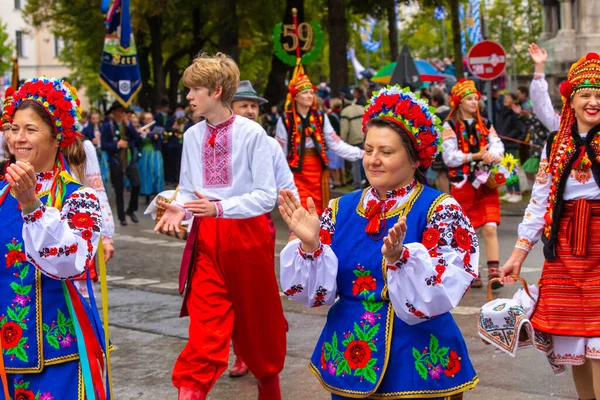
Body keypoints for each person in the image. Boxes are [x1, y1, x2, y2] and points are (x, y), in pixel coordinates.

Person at [279, 86, 479, 399]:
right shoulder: (340, 209)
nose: (373, 160)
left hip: (417, 357)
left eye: (386, 152)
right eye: (368, 149)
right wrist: (310, 247)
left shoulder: (440, 209)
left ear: (415, 160)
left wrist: (401, 259)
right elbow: (315, 295)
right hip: (349, 352)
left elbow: (442, 291)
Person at [154, 53, 286, 400]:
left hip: (248, 235)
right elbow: (187, 188)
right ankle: (191, 391)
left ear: (215, 90)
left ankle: (268, 386)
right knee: (205, 326)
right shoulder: (193, 135)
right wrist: (177, 209)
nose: (188, 96)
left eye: (194, 89)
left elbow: (265, 196)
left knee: (258, 323)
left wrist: (219, 207)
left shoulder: (254, 134)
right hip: (207, 238)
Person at [0, 77, 110, 398]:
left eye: (30, 130)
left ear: (56, 136)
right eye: (13, 128)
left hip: (58, 351)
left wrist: (32, 204)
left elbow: (71, 263)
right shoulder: (2, 194)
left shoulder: (79, 199)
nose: (18, 138)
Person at [501, 52, 600, 399]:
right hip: (564, 248)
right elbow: (539, 199)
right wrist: (517, 253)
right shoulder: (556, 143)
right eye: (586, 93)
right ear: (571, 97)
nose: (593, 101)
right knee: (576, 343)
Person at [229, 80, 298, 378]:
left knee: (256, 292)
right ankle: (240, 351)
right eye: (243, 105)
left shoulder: (269, 144)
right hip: (219, 226)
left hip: (257, 227)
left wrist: (296, 225)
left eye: (254, 106)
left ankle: (258, 346)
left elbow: (286, 184)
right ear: (228, 108)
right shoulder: (214, 143)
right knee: (229, 294)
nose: (250, 111)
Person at [443, 79, 505, 289]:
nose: (474, 102)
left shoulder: (485, 124)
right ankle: (472, 272)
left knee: (490, 226)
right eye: (469, 99)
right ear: (459, 102)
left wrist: (492, 156)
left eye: (476, 99)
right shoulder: (450, 126)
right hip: (463, 184)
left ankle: (494, 274)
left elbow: (498, 146)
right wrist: (474, 155)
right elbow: (449, 157)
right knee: (468, 230)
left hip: (485, 182)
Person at [276, 73, 363, 214]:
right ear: (295, 96)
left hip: (318, 172)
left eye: (311, 92)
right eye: (305, 93)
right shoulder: (286, 119)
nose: (310, 96)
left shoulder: (320, 117)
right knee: (300, 210)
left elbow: (335, 143)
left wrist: (360, 153)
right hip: (296, 173)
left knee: (318, 212)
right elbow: (280, 152)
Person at [101, 101, 141, 226]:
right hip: (116, 160)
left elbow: (137, 138)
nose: (122, 113)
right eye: (120, 111)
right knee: (119, 189)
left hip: (128, 159)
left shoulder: (127, 125)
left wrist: (129, 124)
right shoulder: (108, 126)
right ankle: (121, 216)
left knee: (136, 184)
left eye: (124, 111)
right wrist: (117, 145)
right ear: (114, 112)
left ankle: (131, 209)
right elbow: (103, 145)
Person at [496, 93, 528, 203]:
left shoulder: (515, 114)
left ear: (514, 101)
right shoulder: (502, 112)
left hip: (511, 144)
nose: (505, 100)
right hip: (503, 144)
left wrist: (513, 138)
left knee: (512, 169)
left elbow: (522, 129)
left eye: (508, 98)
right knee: (506, 169)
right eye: (505, 98)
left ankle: (517, 192)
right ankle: (510, 191)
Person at [138, 112, 165, 204]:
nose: (149, 120)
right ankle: (147, 195)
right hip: (145, 153)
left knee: (157, 173)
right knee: (146, 174)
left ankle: (157, 194)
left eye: (150, 118)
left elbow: (156, 137)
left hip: (155, 153)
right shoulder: (140, 128)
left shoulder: (157, 128)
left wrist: (146, 134)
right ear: (143, 120)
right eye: (147, 119)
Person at [340, 92, 365, 190]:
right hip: (364, 137)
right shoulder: (361, 108)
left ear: (345, 100)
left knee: (355, 163)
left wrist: (343, 141)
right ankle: (366, 181)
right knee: (365, 160)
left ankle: (357, 184)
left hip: (353, 139)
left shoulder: (345, 111)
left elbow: (344, 129)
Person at [430, 88, 451, 194]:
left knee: (442, 175)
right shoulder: (451, 112)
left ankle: (448, 198)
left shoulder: (436, 116)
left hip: (441, 148)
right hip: (453, 147)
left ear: (435, 101)